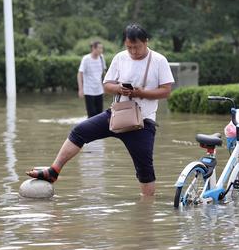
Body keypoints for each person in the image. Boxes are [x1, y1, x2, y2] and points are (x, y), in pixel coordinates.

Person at [26, 23, 174, 197]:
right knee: (79, 131)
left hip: (143, 122)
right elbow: (107, 85)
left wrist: (141, 92)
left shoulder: (159, 60)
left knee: (145, 169)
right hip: (116, 115)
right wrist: (119, 88)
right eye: (129, 47)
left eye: (137, 47)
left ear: (146, 42)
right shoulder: (120, 58)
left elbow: (166, 91)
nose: (133, 52)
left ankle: (147, 210)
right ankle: (54, 171)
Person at [77, 41, 106, 118]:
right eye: (99, 48)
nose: (101, 50)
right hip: (89, 90)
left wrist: (105, 85)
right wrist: (80, 89)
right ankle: (90, 129)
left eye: (102, 48)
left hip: (99, 90)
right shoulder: (86, 59)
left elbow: (104, 73)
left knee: (100, 113)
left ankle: (98, 129)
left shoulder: (101, 57)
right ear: (93, 48)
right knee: (91, 114)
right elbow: (80, 74)